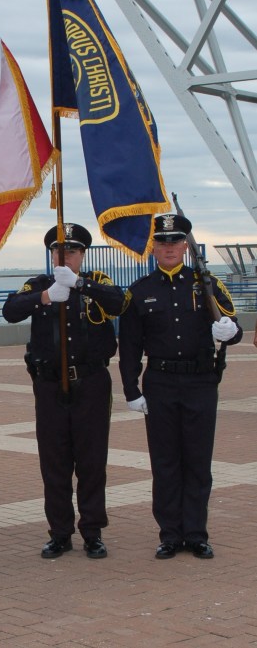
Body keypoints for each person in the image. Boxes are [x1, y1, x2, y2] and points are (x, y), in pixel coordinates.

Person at [119, 213, 242, 560]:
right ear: (153, 248)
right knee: (165, 462)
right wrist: (131, 390)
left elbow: (233, 326)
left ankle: (196, 533)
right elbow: (129, 346)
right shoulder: (139, 291)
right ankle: (170, 534)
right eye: (162, 242)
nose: (169, 247)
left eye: (175, 241)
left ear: (186, 247)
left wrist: (229, 331)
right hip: (160, 384)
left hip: (200, 381)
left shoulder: (207, 284)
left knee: (198, 461)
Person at [2, 223, 124, 560]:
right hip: (50, 384)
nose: (63, 256)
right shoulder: (39, 284)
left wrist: (80, 285)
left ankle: (92, 531)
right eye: (57, 250)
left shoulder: (96, 282)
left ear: (82, 254)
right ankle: (59, 532)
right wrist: (45, 296)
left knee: (91, 461)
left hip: (91, 382)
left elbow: (119, 303)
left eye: (70, 250)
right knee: (54, 461)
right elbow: (10, 311)